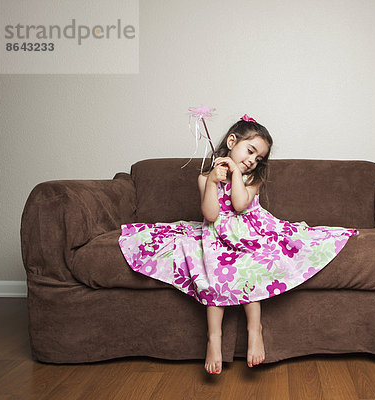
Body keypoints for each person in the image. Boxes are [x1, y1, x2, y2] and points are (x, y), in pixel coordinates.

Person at [118, 114, 358, 374]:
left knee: (249, 267)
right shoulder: (204, 178)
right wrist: (211, 181)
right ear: (232, 141)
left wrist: (234, 174)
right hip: (215, 235)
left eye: (259, 159)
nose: (252, 161)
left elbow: (239, 204)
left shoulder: (252, 179)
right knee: (210, 269)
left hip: (250, 233)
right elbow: (210, 215)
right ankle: (214, 339)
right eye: (250, 151)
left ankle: (255, 330)